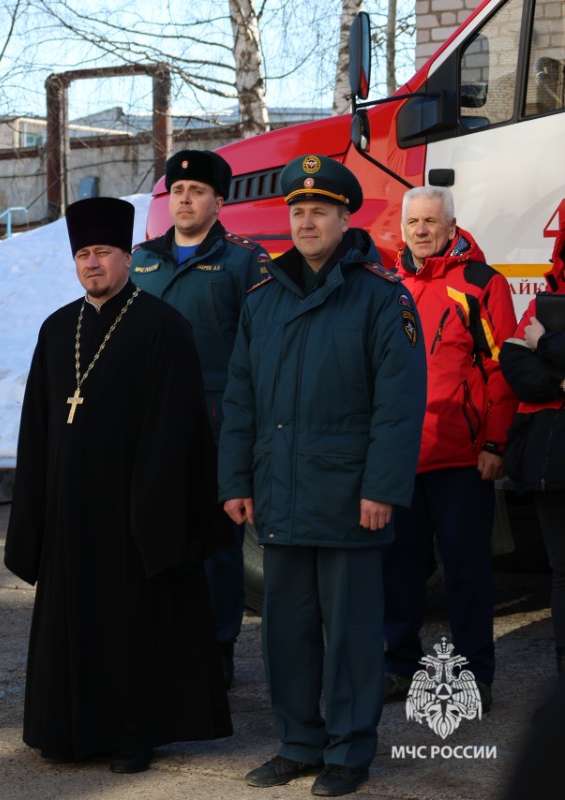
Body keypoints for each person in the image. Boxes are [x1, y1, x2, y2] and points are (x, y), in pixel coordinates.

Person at [219, 156, 426, 797]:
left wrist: (381, 489)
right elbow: (240, 399)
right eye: (298, 212)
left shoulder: (382, 297)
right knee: (286, 632)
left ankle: (349, 751)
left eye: (319, 212)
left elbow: (399, 405)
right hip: (278, 493)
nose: (306, 222)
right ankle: (298, 743)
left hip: (349, 498)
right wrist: (235, 481)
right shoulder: (263, 299)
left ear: (344, 218)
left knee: (354, 635)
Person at [4, 196, 232, 774]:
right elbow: (37, 427)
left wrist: (151, 508)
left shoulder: (162, 327)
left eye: (102, 252)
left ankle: (133, 735)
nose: (92, 263)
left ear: (127, 257)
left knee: (130, 627)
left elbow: (178, 428)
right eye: (83, 254)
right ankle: (69, 730)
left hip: (134, 511)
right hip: (68, 510)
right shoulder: (58, 329)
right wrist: (35, 509)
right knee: (73, 624)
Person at [130, 149, 272, 688]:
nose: (185, 199)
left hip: (218, 422)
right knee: (156, 532)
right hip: (151, 420)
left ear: (219, 201)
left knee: (217, 543)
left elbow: (262, 346)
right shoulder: (142, 260)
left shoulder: (244, 260)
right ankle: (165, 640)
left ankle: (217, 646)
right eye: (177, 191)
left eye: (196, 191)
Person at [382, 186, 517, 711]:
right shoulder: (387, 283)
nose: (420, 230)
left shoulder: (482, 283)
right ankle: (398, 666)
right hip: (400, 458)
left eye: (430, 221)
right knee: (398, 572)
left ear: (452, 226)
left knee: (467, 573)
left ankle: (474, 675)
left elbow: (501, 369)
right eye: (412, 222)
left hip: (462, 458)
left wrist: (495, 442)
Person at [500, 224, 565, 682]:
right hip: (552, 460)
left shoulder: (545, 320)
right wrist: (560, 381)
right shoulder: (544, 302)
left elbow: (530, 348)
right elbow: (513, 362)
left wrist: (545, 343)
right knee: (562, 570)